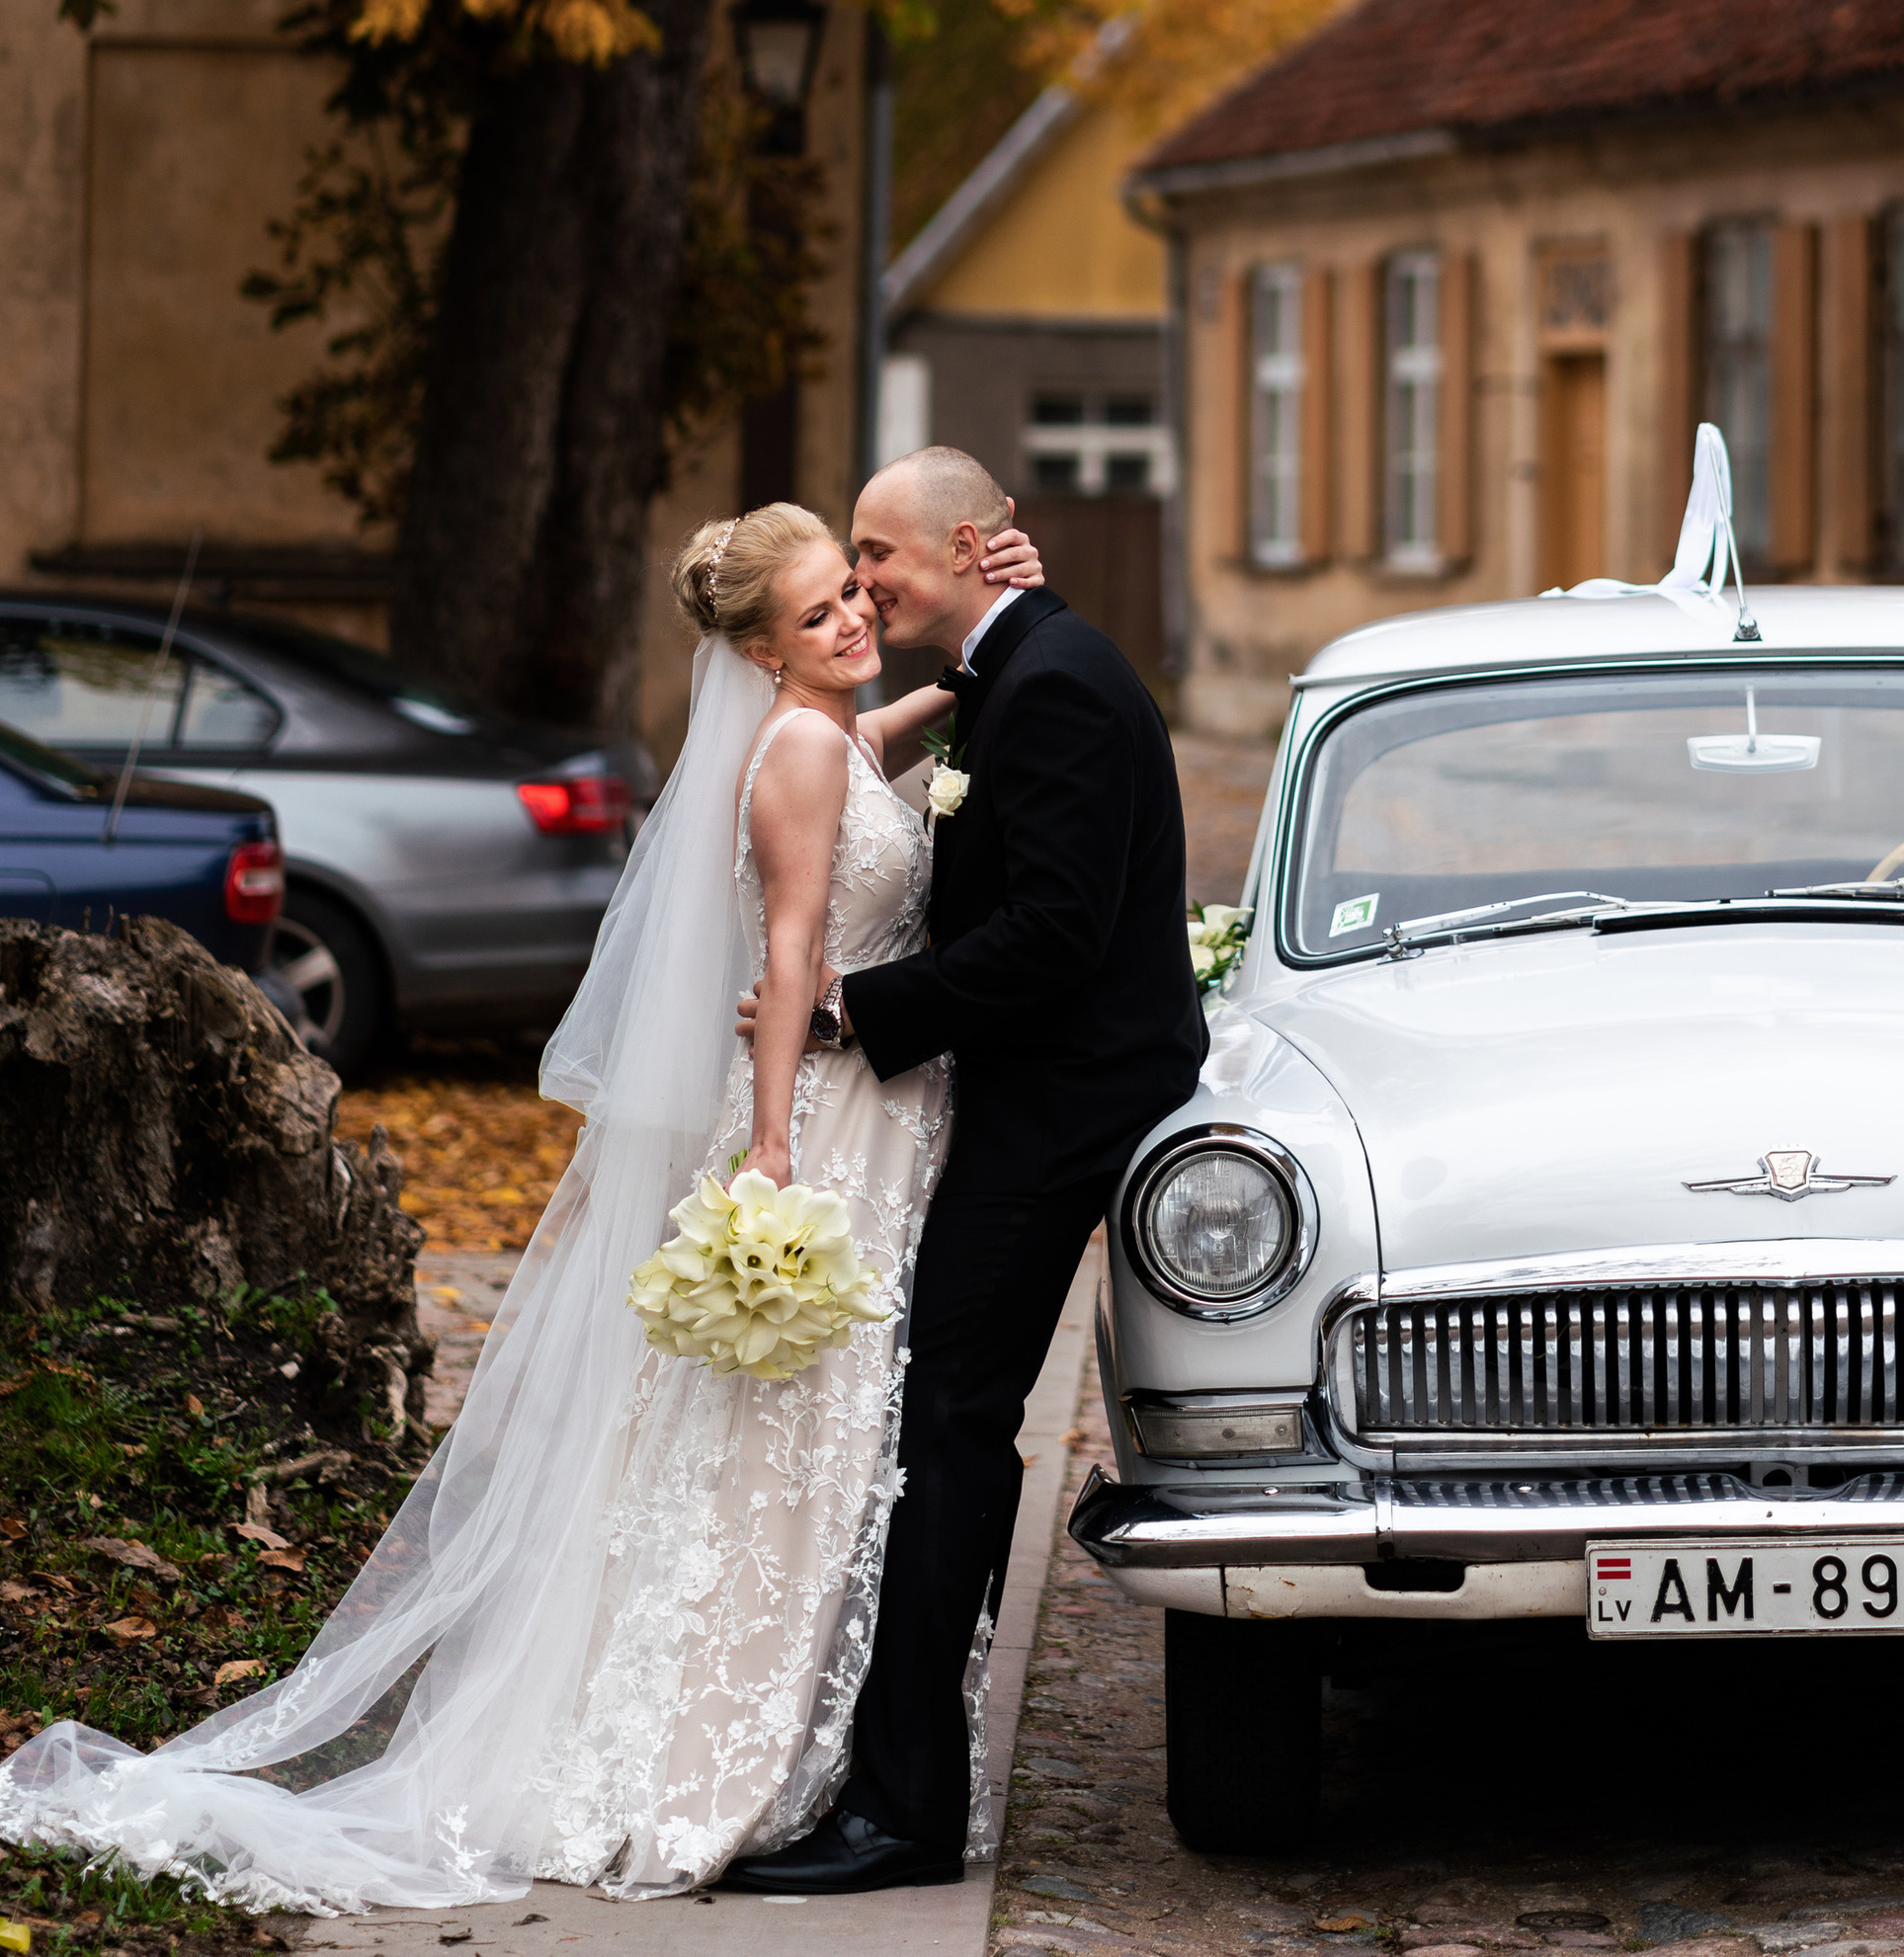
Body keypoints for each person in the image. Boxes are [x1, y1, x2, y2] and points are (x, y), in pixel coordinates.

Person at [0, 496, 1041, 1908]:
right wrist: (780, 1145)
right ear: (760, 650)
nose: (853, 617)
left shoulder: (822, 734)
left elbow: (866, 752)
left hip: (874, 1109)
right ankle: (701, 1754)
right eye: (818, 614)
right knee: (784, 1435)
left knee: (800, 1438)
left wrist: (976, 662)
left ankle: (777, 1723)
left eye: (852, 594)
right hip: (829, 1121)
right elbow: (791, 951)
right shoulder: (797, 750)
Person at [720, 443, 1206, 1898]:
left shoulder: (1055, 681)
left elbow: (1056, 932)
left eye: (879, 552)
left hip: (1056, 1105)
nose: (864, 580)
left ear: (968, 542)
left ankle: (909, 1807)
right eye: (849, 564)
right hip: (1019, 1091)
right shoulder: (1024, 664)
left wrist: (861, 1011)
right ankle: (902, 1775)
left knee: (947, 1422)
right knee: (941, 1417)